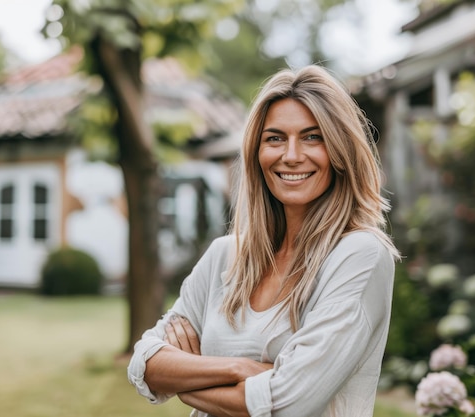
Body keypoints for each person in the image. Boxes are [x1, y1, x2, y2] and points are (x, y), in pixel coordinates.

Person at [127, 64, 400, 417]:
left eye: (312, 137)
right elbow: (144, 363)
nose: (291, 155)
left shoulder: (359, 255)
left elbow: (288, 403)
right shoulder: (225, 256)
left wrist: (187, 378)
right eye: (274, 138)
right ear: (257, 153)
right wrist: (237, 370)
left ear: (340, 151)